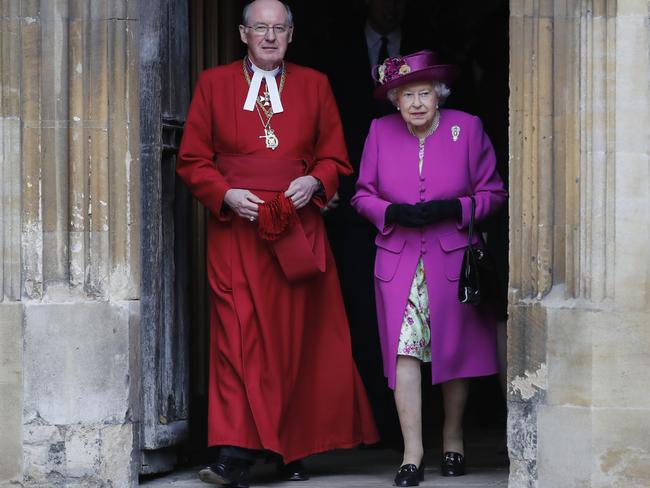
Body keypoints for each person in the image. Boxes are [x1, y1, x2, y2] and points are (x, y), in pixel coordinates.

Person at [176, 1, 379, 486]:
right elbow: (192, 160)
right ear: (244, 33)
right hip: (237, 232)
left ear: (291, 34)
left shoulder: (314, 84)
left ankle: (290, 448)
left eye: (279, 28)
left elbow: (335, 157)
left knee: (295, 343)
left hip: (298, 230)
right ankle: (234, 452)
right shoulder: (213, 83)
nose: (270, 36)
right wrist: (225, 194)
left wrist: (315, 183)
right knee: (237, 339)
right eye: (260, 28)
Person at [351, 50, 507, 486]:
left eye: (424, 93)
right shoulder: (379, 132)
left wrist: (455, 207)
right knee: (405, 350)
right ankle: (412, 451)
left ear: (439, 97)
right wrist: (390, 213)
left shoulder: (468, 128)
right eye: (407, 95)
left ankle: (453, 437)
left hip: (454, 257)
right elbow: (361, 195)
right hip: (399, 260)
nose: (417, 103)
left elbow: (494, 193)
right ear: (395, 101)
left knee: (452, 347)